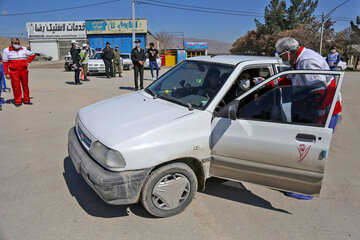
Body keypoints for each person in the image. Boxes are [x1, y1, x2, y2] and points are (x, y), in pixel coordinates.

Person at [274, 37, 342, 200]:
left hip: (321, 114)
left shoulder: (308, 62)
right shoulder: (298, 61)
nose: (281, 59)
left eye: (281, 55)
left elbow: (318, 94)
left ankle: (305, 189)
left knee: (310, 151)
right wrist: (269, 83)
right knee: (306, 150)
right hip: (313, 113)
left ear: (288, 53)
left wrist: (312, 123)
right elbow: (292, 80)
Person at [1, 38, 36, 107]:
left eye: (18, 43)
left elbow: (33, 54)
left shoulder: (24, 49)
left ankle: (27, 100)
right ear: (12, 44)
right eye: (15, 43)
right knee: (16, 87)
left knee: (25, 86)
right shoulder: (6, 51)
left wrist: (27, 61)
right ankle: (18, 101)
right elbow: (5, 63)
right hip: (14, 72)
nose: (17, 44)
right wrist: (6, 73)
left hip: (24, 71)